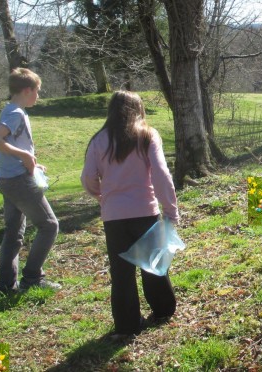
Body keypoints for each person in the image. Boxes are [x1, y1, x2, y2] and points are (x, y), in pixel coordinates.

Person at [81, 91, 180, 338]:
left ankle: (127, 326)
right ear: (139, 110)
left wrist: (101, 195)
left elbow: (87, 178)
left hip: (114, 216)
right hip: (145, 212)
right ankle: (163, 311)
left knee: (121, 274)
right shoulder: (147, 135)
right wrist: (170, 210)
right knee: (154, 265)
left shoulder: (98, 140)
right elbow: (161, 174)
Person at [0, 68, 61, 294]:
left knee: (14, 232)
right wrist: (25, 157)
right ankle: (32, 278)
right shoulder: (16, 113)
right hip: (18, 181)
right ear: (27, 90)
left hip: (7, 178)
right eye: (37, 91)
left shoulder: (11, 110)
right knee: (49, 226)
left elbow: (9, 144)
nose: (38, 96)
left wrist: (31, 163)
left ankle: (6, 287)